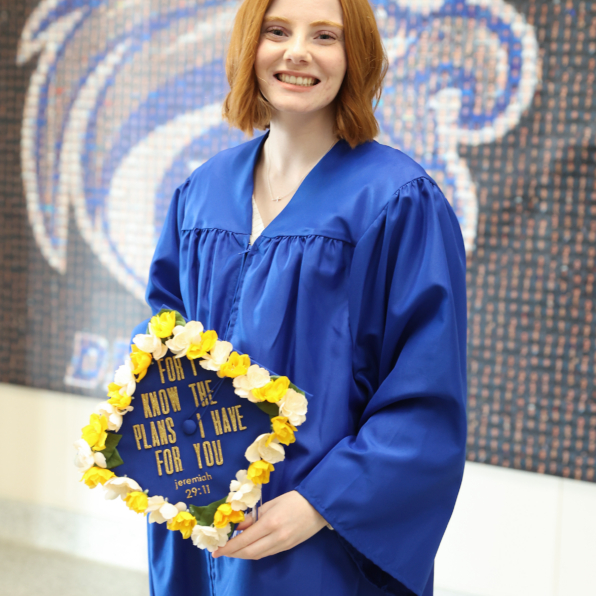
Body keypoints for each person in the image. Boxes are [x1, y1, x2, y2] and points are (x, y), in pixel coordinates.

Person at [137, 0, 468, 594]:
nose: (297, 52)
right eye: (277, 31)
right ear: (250, 47)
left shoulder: (397, 201)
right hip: (200, 521)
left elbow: (424, 393)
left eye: (325, 36)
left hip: (321, 538)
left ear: (355, 56)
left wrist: (320, 504)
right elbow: (165, 342)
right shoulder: (202, 192)